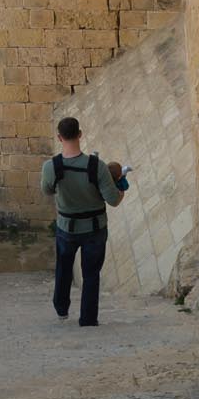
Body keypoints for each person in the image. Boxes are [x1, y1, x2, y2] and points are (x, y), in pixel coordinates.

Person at [40, 116, 123, 326]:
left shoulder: (51, 167)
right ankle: (88, 319)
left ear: (59, 137)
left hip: (66, 227)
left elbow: (47, 190)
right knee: (91, 274)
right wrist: (121, 186)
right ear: (80, 134)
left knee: (63, 268)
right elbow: (113, 200)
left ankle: (61, 309)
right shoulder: (98, 167)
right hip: (95, 228)